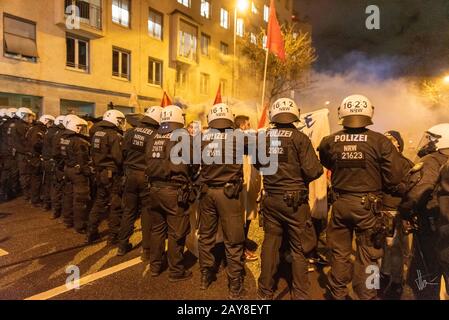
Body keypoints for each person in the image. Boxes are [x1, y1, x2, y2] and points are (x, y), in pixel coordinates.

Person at [318, 94, 403, 300]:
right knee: (370, 255)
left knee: (339, 253)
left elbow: (328, 164)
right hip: (368, 207)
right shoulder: (380, 141)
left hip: (339, 204)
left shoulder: (330, 141)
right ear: (369, 112)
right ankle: (367, 295)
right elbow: (394, 177)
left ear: (342, 112)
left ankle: (337, 293)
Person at [257, 98, 323, 300]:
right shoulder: (300, 138)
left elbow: (258, 165)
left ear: (273, 115)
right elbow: (314, 170)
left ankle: (265, 291)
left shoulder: (263, 137)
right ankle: (301, 294)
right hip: (294, 204)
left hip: (270, 200)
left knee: (270, 244)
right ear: (296, 113)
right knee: (299, 248)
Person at [197, 104, 246, 299]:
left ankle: (205, 276)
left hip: (207, 192)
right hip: (228, 194)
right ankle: (235, 285)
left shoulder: (202, 137)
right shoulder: (239, 137)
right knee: (233, 239)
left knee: (206, 236)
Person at [144, 105, 198, 282]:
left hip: (154, 189)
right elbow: (193, 163)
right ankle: (176, 270)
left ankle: (155, 266)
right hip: (174, 190)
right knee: (177, 231)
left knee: (157, 229)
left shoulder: (154, 136)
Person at [399, 123, 449, 300]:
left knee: (427, 273)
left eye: (431, 139)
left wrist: (405, 211)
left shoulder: (431, 161)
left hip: (433, 225)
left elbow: (419, 191)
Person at [117, 106, 161, 257]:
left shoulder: (130, 132)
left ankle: (122, 245)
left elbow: (123, 153)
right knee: (147, 212)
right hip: (145, 177)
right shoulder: (155, 135)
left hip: (129, 175)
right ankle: (147, 250)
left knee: (128, 210)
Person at [379, 130, 414, 299]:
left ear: (399, 144)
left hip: (394, 210)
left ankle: (395, 282)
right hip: (379, 210)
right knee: (380, 247)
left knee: (394, 248)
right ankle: (383, 278)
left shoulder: (405, 163)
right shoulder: (378, 161)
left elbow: (411, 188)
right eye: (385, 140)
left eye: (391, 140)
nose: (387, 143)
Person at [87, 110, 126, 244]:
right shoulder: (114, 135)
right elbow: (118, 157)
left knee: (99, 201)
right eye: (120, 120)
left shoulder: (96, 132)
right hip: (111, 173)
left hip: (99, 171)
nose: (121, 123)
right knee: (115, 205)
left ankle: (91, 232)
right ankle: (113, 236)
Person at [60, 115, 92, 234]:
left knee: (68, 196)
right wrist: (88, 172)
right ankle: (80, 225)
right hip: (77, 172)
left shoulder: (64, 138)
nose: (82, 130)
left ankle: (68, 220)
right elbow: (82, 160)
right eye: (81, 127)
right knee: (80, 199)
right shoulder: (79, 141)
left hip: (68, 169)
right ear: (76, 127)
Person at [235, 115, 260, 262]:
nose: (250, 127)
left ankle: (240, 246)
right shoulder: (244, 140)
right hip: (243, 186)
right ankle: (241, 249)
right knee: (242, 219)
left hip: (242, 187)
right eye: (248, 125)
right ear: (243, 126)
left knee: (242, 218)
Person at [27, 115, 55, 207]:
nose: (50, 125)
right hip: (35, 157)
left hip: (31, 156)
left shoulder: (33, 128)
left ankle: (34, 198)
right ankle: (35, 200)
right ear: (46, 121)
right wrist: (45, 146)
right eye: (50, 122)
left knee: (34, 179)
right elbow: (36, 144)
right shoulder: (38, 130)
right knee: (36, 179)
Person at [11, 108, 35, 201]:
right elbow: (27, 141)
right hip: (24, 154)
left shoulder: (17, 125)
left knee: (24, 174)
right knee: (26, 174)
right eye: (29, 116)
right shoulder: (23, 126)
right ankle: (28, 195)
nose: (30, 118)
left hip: (21, 153)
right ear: (23, 115)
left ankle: (26, 194)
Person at [41, 115, 61, 211]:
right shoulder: (57, 133)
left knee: (47, 183)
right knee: (54, 185)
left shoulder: (48, 131)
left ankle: (46, 204)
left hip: (46, 160)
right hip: (52, 161)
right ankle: (55, 208)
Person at [0, 108, 18, 201]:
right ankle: (8, 193)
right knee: (11, 172)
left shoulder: (3, 124)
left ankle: (3, 191)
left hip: (3, 151)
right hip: (9, 152)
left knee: (4, 171)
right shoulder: (12, 125)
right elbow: (11, 139)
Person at [51, 116, 67, 219]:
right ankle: (59, 212)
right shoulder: (63, 134)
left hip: (57, 164)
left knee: (57, 189)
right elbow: (59, 152)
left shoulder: (57, 133)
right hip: (61, 165)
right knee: (62, 189)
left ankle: (56, 211)